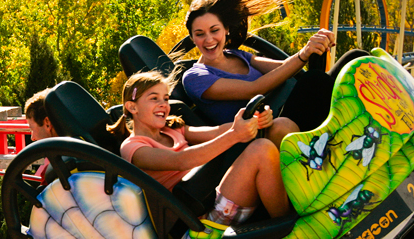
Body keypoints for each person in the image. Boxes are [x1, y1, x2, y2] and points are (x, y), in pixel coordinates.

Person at [110, 70, 291, 224]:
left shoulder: (173, 128)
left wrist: (256, 121)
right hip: (202, 217)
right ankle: (287, 224)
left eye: (165, 98)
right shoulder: (133, 147)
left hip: (218, 189)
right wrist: (235, 135)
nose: (163, 105)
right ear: (132, 107)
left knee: (280, 125)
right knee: (261, 149)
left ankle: (301, 193)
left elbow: (216, 131)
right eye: (154, 98)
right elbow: (181, 161)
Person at [179, 0, 341, 132]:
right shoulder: (194, 77)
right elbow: (254, 89)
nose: (209, 40)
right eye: (200, 34)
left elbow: (284, 67)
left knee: (351, 59)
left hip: (288, 114)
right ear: (192, 38)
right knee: (316, 79)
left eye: (214, 30)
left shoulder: (237, 55)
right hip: (262, 133)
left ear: (226, 29)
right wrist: (304, 53)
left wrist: (313, 48)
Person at [10, 88, 63, 239]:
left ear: (48, 124)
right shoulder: (77, 152)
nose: (31, 137)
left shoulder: (59, 169)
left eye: (33, 128)